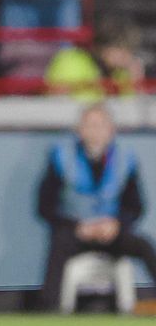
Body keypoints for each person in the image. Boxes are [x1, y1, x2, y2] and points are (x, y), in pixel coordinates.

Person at [37, 103, 156, 311]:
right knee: (59, 244)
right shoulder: (61, 157)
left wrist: (116, 224)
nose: (95, 132)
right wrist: (76, 226)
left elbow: (135, 206)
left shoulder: (125, 159)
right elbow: (45, 206)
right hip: (75, 232)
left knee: (144, 246)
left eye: (100, 125)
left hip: (110, 233)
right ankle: (50, 307)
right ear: (80, 130)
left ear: (111, 130)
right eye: (89, 125)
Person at [45, 17, 145, 100]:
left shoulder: (122, 72)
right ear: (102, 47)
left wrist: (136, 81)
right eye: (122, 49)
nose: (127, 56)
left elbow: (130, 108)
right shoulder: (70, 61)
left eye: (130, 50)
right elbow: (56, 101)